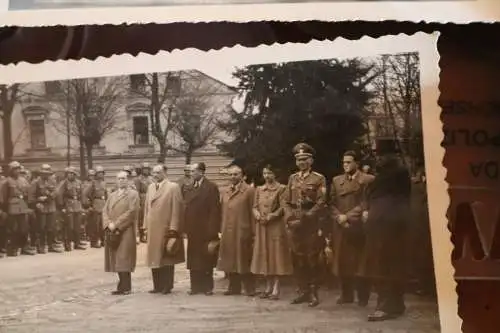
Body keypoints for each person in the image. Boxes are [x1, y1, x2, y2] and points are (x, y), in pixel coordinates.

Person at [360, 153, 412, 322]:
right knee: (396, 264)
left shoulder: (382, 182)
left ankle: (384, 307)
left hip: (384, 229)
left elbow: (376, 204)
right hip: (397, 226)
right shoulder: (401, 179)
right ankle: (397, 305)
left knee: (382, 266)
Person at [283, 143, 327, 307]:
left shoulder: (318, 178)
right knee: (297, 257)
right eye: (298, 159)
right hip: (295, 224)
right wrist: (289, 218)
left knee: (312, 258)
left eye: (304, 159)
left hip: (310, 224)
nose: (301, 162)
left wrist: (308, 216)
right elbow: (286, 201)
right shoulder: (292, 178)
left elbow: (321, 201)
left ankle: (313, 292)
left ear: (311, 161)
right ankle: (302, 290)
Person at [329, 151, 374, 307]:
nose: (346, 165)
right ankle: (346, 295)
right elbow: (331, 203)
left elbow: (365, 203)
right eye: (344, 162)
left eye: (349, 162)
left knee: (361, 263)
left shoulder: (367, 180)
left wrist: (347, 216)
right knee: (342, 261)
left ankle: (363, 297)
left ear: (357, 163)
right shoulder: (336, 180)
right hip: (341, 227)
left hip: (359, 227)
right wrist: (339, 217)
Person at [251, 165, 293, 300]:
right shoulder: (259, 189)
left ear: (275, 174)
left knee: (276, 256)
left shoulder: (281, 189)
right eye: (264, 173)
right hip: (262, 227)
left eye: (269, 173)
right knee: (265, 255)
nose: (267, 176)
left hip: (275, 226)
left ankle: (276, 287)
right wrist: (257, 215)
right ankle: (267, 286)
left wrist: (271, 216)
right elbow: (254, 206)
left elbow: (283, 207)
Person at [144, 164, 185, 295]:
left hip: (165, 228)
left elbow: (176, 209)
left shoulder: (173, 187)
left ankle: (167, 285)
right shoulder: (150, 187)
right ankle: (157, 285)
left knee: (167, 257)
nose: (155, 175)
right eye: (153, 173)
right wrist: (145, 226)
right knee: (154, 258)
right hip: (152, 228)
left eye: (158, 172)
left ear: (165, 173)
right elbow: (146, 208)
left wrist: (174, 228)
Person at [217, 164, 256, 296]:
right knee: (230, 259)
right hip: (228, 231)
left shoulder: (249, 191)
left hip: (243, 229)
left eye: (236, 174)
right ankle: (234, 287)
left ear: (242, 176)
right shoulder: (226, 191)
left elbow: (253, 212)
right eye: (230, 175)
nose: (233, 177)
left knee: (244, 259)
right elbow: (222, 212)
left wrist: (253, 232)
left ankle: (250, 288)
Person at [184, 162, 221, 296]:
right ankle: (195, 287)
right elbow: (186, 208)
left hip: (206, 229)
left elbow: (215, 210)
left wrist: (213, 230)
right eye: (191, 171)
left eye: (194, 171)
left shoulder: (211, 187)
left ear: (201, 172)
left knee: (206, 259)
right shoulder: (189, 187)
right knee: (194, 259)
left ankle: (207, 287)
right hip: (193, 229)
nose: (191, 173)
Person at [103, 171, 140, 295]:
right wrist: (108, 224)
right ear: (116, 180)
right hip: (112, 231)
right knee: (116, 259)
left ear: (128, 180)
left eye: (124, 178)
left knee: (124, 258)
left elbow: (132, 212)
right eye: (119, 178)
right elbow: (105, 211)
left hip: (126, 230)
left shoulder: (133, 194)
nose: (121, 181)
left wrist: (117, 224)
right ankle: (121, 286)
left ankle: (126, 286)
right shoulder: (112, 195)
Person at [0, 161, 36, 256]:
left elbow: (28, 193)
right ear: (11, 170)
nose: (17, 171)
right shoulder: (6, 182)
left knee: (24, 228)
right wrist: (4, 210)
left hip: (22, 206)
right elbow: (3, 197)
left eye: (18, 169)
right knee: (13, 229)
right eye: (15, 169)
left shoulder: (23, 180)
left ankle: (24, 246)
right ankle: (13, 248)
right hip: (12, 208)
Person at [28, 164, 62, 254]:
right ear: (41, 173)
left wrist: (50, 196)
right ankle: (41, 246)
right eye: (44, 173)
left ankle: (51, 246)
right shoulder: (35, 182)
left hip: (51, 206)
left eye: (48, 173)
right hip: (41, 207)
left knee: (51, 227)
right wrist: (38, 201)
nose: (46, 175)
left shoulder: (53, 182)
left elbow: (56, 192)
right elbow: (31, 198)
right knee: (41, 227)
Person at [56, 166, 86, 252]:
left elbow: (81, 194)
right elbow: (59, 195)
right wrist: (61, 207)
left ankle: (77, 243)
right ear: (67, 174)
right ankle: (67, 244)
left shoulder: (78, 182)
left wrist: (82, 205)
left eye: (73, 174)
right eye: (69, 173)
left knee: (77, 226)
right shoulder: (64, 183)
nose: (71, 175)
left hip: (77, 205)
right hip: (68, 206)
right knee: (69, 227)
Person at [83, 166, 108, 248]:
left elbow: (106, 194)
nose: (101, 175)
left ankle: (103, 240)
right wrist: (89, 205)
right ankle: (94, 242)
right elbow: (85, 194)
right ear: (96, 174)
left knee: (103, 224)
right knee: (95, 225)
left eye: (102, 173)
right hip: (96, 205)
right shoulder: (93, 183)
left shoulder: (104, 183)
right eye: (99, 173)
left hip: (103, 204)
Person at [138, 162, 153, 243]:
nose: (146, 171)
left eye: (147, 169)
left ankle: (149, 235)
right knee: (142, 218)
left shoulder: (151, 178)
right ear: (142, 170)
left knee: (150, 217)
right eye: (144, 169)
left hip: (151, 198)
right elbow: (137, 191)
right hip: (142, 198)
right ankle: (142, 235)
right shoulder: (139, 179)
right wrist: (139, 203)